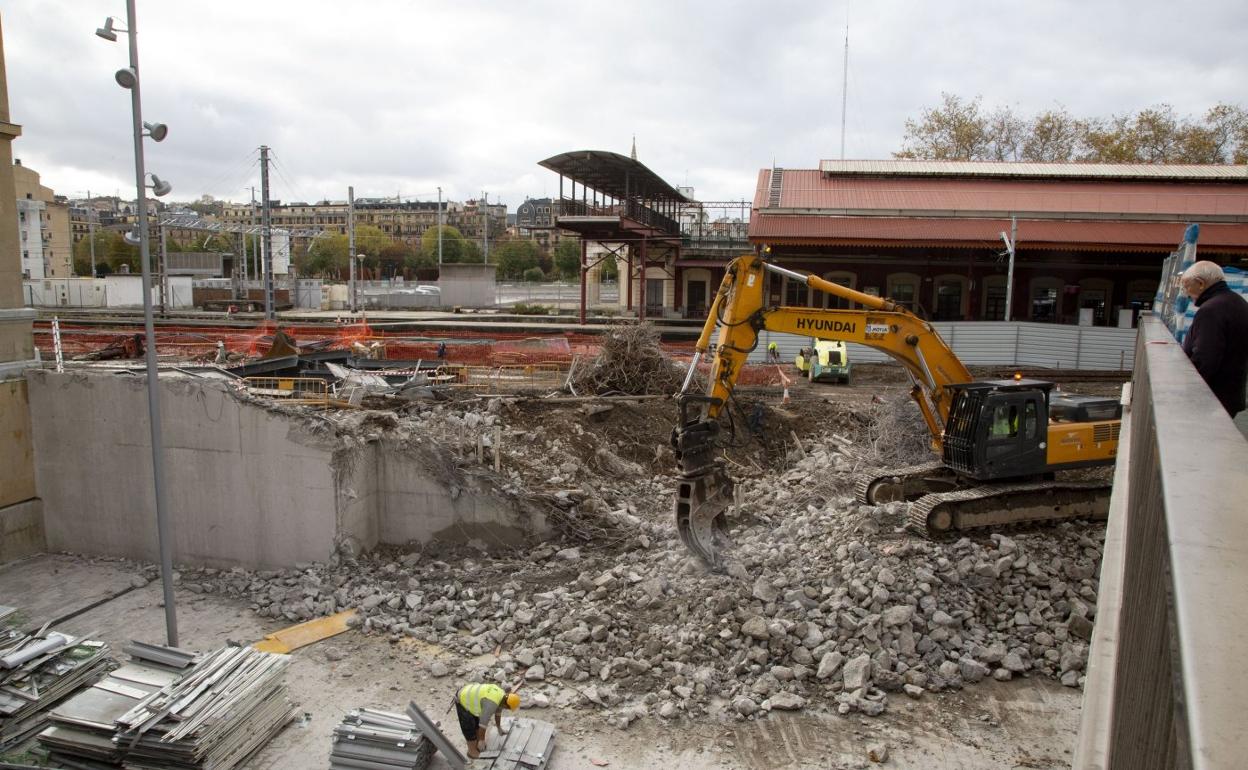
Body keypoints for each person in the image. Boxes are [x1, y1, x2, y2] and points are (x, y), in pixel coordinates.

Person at [1180, 261, 1248, 417]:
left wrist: (1186, 390)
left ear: (1201, 283)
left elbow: (1205, 359)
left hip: (1211, 399)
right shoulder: (1238, 302)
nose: (1186, 293)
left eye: (1187, 286)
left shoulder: (1211, 310)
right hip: (1230, 395)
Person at [453, 682, 520, 758]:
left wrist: (499, 728)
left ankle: (477, 743)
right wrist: (482, 740)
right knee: (469, 727)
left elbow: (498, 713)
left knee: (476, 722)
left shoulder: (502, 696)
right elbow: (483, 724)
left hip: (471, 696)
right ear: (506, 704)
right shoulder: (492, 703)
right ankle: (472, 752)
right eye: (508, 708)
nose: (506, 709)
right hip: (463, 698)